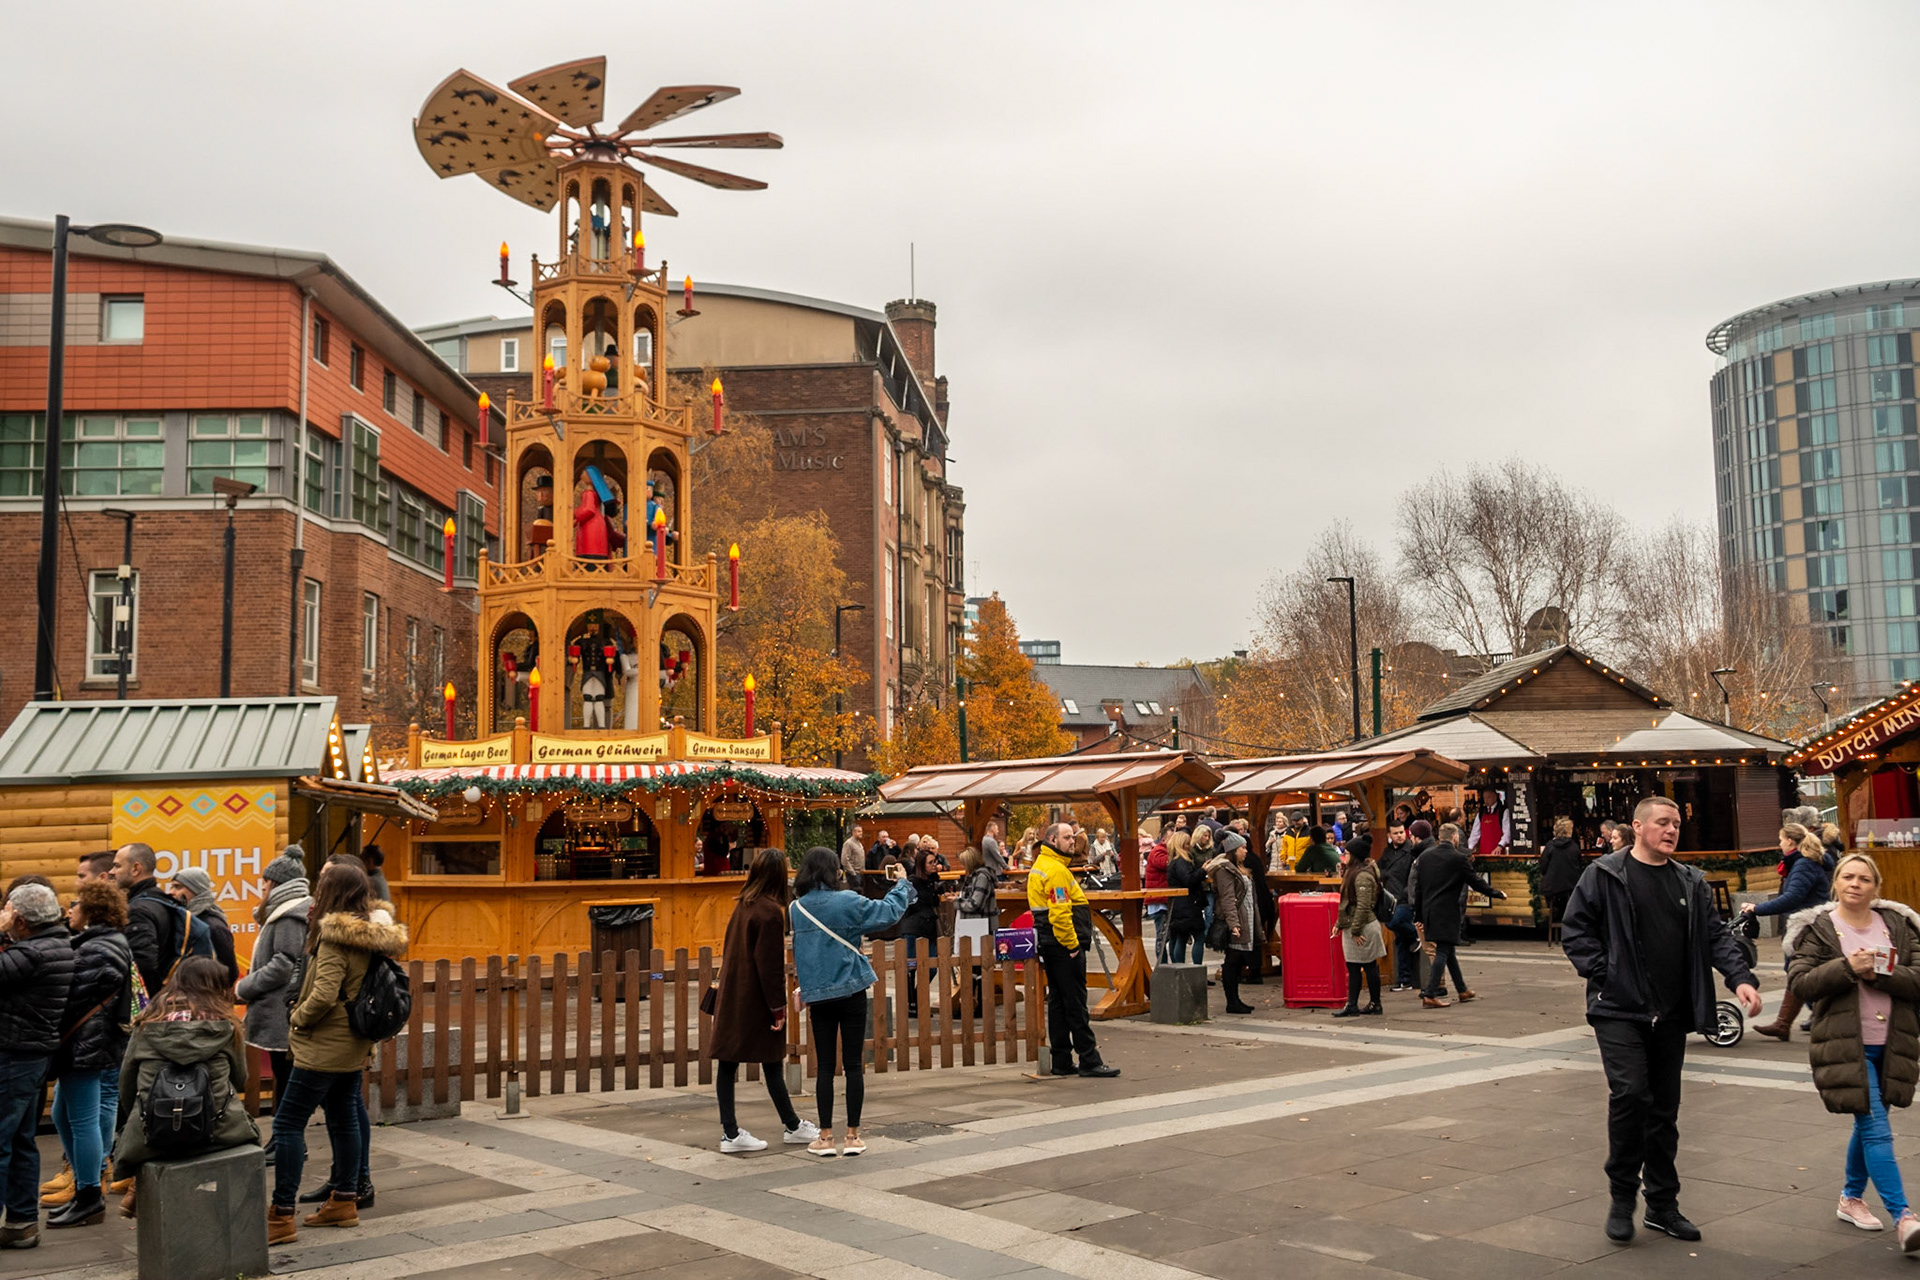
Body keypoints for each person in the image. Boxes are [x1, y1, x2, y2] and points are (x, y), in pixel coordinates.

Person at [1561, 795, 1761, 1246]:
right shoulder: (1605, 874)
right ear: (1637, 827)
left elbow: (1714, 935)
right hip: (1618, 1009)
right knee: (1631, 1094)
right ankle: (1621, 1196)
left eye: (1676, 824)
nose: (1672, 830)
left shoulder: (1690, 881)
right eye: (1663, 823)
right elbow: (1576, 930)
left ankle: (1662, 1205)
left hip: (1671, 1013)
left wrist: (1740, 978)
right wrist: (1606, 973)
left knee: (1663, 1111)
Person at [270, 860, 407, 1245]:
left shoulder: (335, 936)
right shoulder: (371, 932)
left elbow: (325, 993)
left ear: (331, 891)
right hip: (353, 1042)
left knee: (286, 1124)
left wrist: (298, 1018)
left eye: (321, 882)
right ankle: (344, 1201)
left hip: (324, 1045)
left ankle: (281, 1215)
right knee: (346, 1115)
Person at [1786, 852, 1920, 1245]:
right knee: (1876, 1129)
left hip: (1895, 1043)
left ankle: (1850, 1198)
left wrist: (1883, 973)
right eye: (1848, 876)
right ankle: (1905, 1217)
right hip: (1846, 1045)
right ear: (1836, 883)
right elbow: (1801, 983)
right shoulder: (1819, 929)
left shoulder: (1897, 924)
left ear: (1876, 887)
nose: (1855, 884)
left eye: (1864, 878)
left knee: (1868, 1125)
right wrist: (1848, 967)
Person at [110, 957, 259, 1219]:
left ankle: (137, 1186)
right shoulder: (227, 1026)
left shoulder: (147, 1022)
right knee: (251, 1132)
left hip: (153, 1136)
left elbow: (126, 1084)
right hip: (219, 1132)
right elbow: (239, 1080)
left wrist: (140, 1119)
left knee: (151, 1135)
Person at [790, 846, 912, 1157]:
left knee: (826, 1067)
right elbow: (887, 913)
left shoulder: (796, 909)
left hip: (819, 994)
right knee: (854, 1064)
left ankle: (826, 1137)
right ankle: (854, 1136)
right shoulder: (847, 901)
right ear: (834, 872)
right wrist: (902, 884)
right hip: (851, 988)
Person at [709, 849, 815, 1153]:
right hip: (754, 998)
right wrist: (777, 1008)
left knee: (729, 1063)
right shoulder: (770, 912)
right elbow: (769, 966)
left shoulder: (744, 904)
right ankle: (789, 1126)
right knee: (770, 1061)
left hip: (734, 994)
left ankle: (734, 1130)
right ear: (778, 876)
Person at [44, 880, 132, 1229]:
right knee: (63, 1115)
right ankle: (86, 1186)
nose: (70, 909)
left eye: (76, 903)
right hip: (88, 1044)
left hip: (86, 1046)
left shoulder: (98, 948)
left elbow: (67, 999)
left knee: (81, 1120)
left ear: (93, 910)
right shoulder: (98, 943)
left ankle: (89, 1195)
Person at [0, 884, 76, 1249]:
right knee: (21, 1142)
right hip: (31, 1056)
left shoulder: (30, 953)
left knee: (3, 1143)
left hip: (13, 1056)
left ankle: (20, 1223)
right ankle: (21, 1223)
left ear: (21, 920)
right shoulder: (55, 944)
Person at [1028, 824, 1120, 1077]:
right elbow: (1060, 912)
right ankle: (1089, 1058)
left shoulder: (1043, 866)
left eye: (1072, 836)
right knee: (1075, 1002)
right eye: (1066, 837)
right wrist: (1071, 945)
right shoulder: (1056, 871)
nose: (1072, 841)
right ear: (1051, 839)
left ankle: (1062, 1059)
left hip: (1050, 942)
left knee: (1058, 1001)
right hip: (1063, 944)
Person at [235, 848, 313, 1121]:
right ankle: (284, 1139)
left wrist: (244, 988)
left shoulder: (290, 915)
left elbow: (283, 965)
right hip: (281, 1010)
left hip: (282, 1012)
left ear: (278, 884)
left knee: (288, 1080)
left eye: (266, 881)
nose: (263, 886)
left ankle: (286, 1139)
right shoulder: (286, 912)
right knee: (286, 1079)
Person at [1746, 822, 1835, 1041]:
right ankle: (1788, 1023)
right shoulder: (1804, 862)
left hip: (1806, 926)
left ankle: (1821, 1016)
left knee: (1799, 972)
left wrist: (1757, 908)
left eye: (1780, 839)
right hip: (1809, 924)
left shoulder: (1803, 864)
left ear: (1790, 841)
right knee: (1798, 971)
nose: (1779, 844)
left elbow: (1793, 897)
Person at [1412, 823, 1507, 1008]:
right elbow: (1476, 882)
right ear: (1455, 838)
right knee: (1443, 950)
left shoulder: (1425, 857)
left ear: (1440, 837)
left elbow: (1418, 888)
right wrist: (1497, 894)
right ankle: (1430, 993)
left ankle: (1462, 989)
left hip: (1429, 910)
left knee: (1448, 951)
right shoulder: (1458, 858)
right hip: (1448, 911)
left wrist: (1418, 915)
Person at [110, 843, 183, 997]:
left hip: (150, 1002)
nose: (112, 872)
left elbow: (142, 965)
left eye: (117, 866)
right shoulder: (162, 901)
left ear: (136, 869)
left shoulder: (138, 911)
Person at [1334, 835, 1387, 1018]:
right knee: (1355, 965)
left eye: (1346, 853)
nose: (1344, 856)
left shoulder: (1362, 875)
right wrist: (1339, 924)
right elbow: (1347, 903)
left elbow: (1363, 906)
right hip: (1354, 924)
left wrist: (1355, 930)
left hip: (1363, 926)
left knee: (1368, 965)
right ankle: (1354, 1004)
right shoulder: (1353, 872)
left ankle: (1372, 1003)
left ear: (1355, 855)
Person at [1206, 833, 1259, 1015]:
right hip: (1237, 918)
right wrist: (1234, 924)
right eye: (1242, 848)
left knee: (1239, 959)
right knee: (1233, 959)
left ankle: (1236, 1000)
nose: (1246, 851)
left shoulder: (1238, 868)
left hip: (1246, 916)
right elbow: (1227, 898)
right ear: (1233, 850)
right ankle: (1232, 1001)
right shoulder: (1225, 870)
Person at [167, 867, 238, 985]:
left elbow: (229, 973)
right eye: (172, 886)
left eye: (178, 887)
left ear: (196, 889)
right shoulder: (185, 921)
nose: (171, 892)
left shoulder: (213, 927)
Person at [899, 848, 944, 1018]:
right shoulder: (913, 881)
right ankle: (911, 1004)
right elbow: (913, 904)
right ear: (921, 865)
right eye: (931, 863)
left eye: (935, 862)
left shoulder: (931, 881)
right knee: (911, 967)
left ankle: (918, 998)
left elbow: (933, 902)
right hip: (913, 928)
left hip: (928, 928)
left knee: (931, 967)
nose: (935, 865)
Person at [1378, 822, 1422, 993]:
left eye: (1401, 832)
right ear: (1390, 835)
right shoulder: (1387, 852)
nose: (1399, 835)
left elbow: (1414, 876)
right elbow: (1379, 868)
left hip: (1404, 900)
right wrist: (1384, 874)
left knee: (1392, 923)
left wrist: (1406, 893)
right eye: (1395, 833)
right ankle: (1404, 980)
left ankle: (1414, 935)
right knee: (1400, 941)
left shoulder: (1411, 851)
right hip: (1391, 899)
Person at [1164, 832, 1207, 966]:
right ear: (1182, 844)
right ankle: (1196, 970)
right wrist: (1202, 870)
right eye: (1187, 843)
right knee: (1199, 936)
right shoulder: (1182, 860)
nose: (1190, 846)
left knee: (1180, 937)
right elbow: (1188, 880)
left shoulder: (1173, 861)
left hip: (1178, 904)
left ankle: (1180, 970)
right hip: (1188, 904)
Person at [1539, 816, 1586, 931]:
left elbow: (1542, 867)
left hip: (1552, 889)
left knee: (1554, 900)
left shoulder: (1550, 846)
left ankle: (1556, 915)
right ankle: (1568, 923)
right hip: (1570, 889)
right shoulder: (1574, 847)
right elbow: (1580, 867)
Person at [1142, 834, 1171, 964]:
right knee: (1161, 935)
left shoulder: (1160, 850)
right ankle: (1162, 964)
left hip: (1160, 898)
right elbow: (1165, 864)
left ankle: (1163, 964)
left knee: (1163, 934)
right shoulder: (1159, 851)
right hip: (1159, 900)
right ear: (1164, 839)